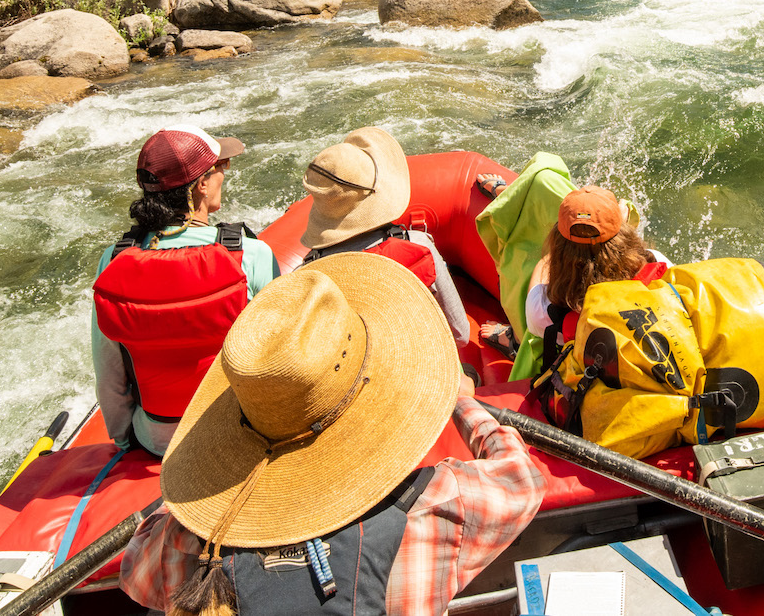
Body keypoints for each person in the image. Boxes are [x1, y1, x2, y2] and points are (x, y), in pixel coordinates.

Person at [119, 252, 546, 616]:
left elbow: (134, 571)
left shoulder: (184, 543)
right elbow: (521, 481)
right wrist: (460, 400)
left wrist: (203, 481)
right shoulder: (432, 509)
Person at [92, 125, 279, 457]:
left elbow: (109, 371)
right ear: (202, 185)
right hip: (238, 434)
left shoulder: (114, 260)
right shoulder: (251, 255)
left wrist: (126, 444)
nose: (227, 173)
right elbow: (275, 359)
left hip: (155, 442)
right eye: (221, 167)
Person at [298, 126, 473, 343]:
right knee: (470, 377)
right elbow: (460, 334)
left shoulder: (308, 273)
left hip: (354, 373)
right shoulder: (418, 244)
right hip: (420, 363)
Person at [523, 186, 670, 350]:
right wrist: (616, 226)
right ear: (622, 235)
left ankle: (512, 339)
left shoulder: (543, 312)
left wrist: (565, 247)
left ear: (558, 245)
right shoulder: (659, 263)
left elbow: (540, 274)